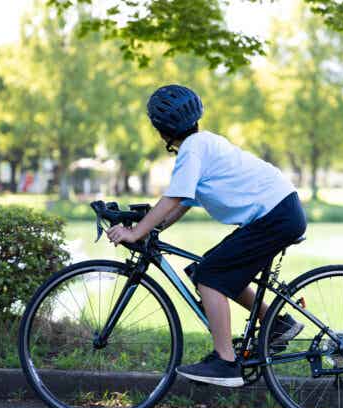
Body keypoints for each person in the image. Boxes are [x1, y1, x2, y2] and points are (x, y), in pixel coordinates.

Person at [106, 84, 307, 387]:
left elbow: (173, 197)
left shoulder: (192, 149)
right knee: (210, 269)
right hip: (279, 212)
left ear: (162, 131)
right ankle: (277, 323)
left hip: (275, 216)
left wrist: (136, 232)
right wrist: (153, 228)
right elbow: (184, 202)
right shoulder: (203, 144)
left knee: (211, 275)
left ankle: (225, 363)